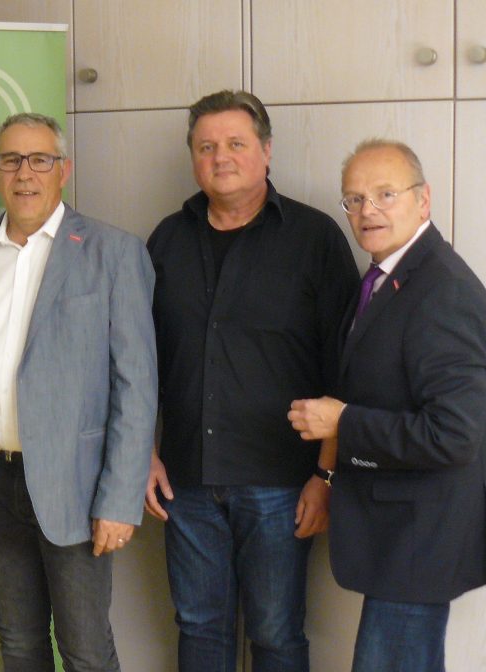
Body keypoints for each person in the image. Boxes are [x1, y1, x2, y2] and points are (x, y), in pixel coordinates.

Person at [0, 112, 157, 672]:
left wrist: (120, 500)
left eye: (40, 160)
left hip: (76, 487)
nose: (25, 173)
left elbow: (136, 389)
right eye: (11, 160)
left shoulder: (113, 252)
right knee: (19, 645)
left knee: (86, 650)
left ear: (62, 170)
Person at [143, 90, 359, 671]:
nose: (221, 157)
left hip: (282, 483)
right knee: (198, 628)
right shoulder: (167, 240)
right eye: (206, 146)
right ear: (193, 157)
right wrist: (144, 452)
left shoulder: (315, 238)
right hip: (185, 482)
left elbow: (343, 369)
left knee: (276, 632)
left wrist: (326, 475)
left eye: (236, 143)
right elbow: (138, 362)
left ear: (266, 151)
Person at [288, 139, 486, 672]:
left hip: (421, 537)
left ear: (423, 199)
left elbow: (454, 435)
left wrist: (343, 423)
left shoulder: (444, 291)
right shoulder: (386, 278)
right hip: (401, 533)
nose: (368, 211)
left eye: (386, 194)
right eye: (355, 199)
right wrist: (328, 473)